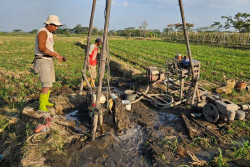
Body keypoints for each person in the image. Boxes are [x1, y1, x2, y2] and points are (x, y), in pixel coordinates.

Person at [34, 15, 66, 112]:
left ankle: (46, 101)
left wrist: (58, 55)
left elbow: (50, 48)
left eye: (57, 26)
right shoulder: (43, 32)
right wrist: (55, 55)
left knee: (50, 82)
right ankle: (42, 105)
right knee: (46, 82)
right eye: (55, 26)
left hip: (48, 60)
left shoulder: (49, 33)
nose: (56, 28)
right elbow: (42, 48)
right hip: (42, 60)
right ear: (49, 24)